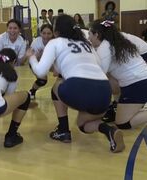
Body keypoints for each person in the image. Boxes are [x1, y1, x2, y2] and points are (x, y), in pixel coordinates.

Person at [26, 14, 124, 153]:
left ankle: (63, 130)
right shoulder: (86, 43)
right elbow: (100, 68)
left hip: (79, 88)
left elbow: (41, 72)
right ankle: (109, 130)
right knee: (83, 124)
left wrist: (31, 58)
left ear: (56, 30)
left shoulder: (55, 42)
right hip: (104, 93)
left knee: (56, 87)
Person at [88, 20, 147, 133]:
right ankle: (120, 107)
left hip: (139, 85)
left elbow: (99, 76)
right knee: (111, 82)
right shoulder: (116, 41)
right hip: (142, 82)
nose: (89, 38)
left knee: (122, 123)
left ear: (97, 34)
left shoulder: (104, 47)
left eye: (90, 34)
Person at [28, 24, 54, 99]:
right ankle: (32, 91)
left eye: (49, 33)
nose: (46, 36)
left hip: (51, 63)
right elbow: (31, 58)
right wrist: (39, 57)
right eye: (44, 33)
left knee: (63, 74)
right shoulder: (36, 42)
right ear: (40, 33)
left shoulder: (55, 42)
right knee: (42, 80)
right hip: (37, 63)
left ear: (53, 34)